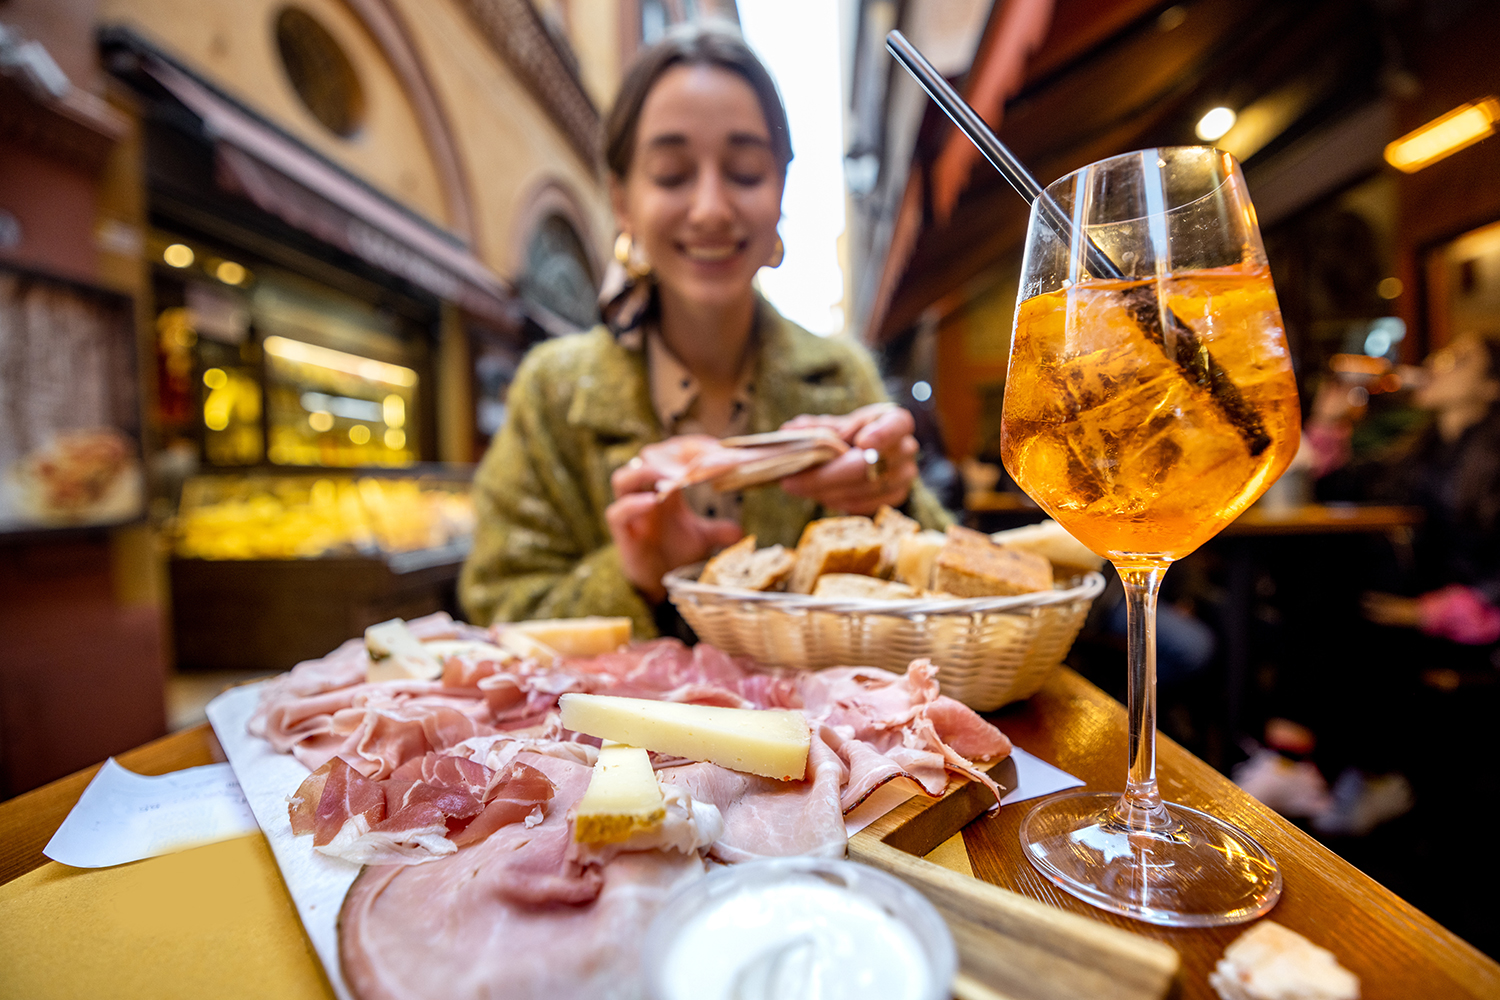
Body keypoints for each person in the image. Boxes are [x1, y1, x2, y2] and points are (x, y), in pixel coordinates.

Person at [459, 23, 950, 637]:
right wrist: (633, 574)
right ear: (622, 200)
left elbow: (942, 591)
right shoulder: (552, 393)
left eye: (744, 171)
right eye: (671, 174)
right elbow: (496, 608)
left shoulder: (840, 376)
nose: (711, 208)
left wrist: (892, 494)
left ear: (780, 192)